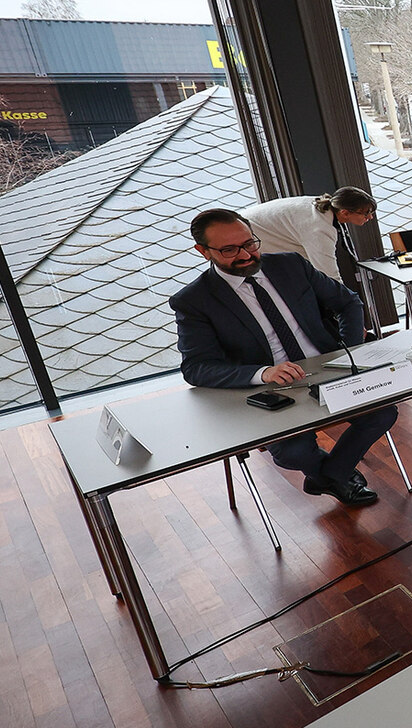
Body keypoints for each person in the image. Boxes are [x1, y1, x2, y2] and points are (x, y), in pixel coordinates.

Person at [170, 208, 397, 507]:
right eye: (229, 250)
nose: (246, 255)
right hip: (270, 388)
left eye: (250, 243)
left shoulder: (290, 265)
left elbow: (348, 302)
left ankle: (331, 476)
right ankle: (338, 476)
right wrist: (263, 373)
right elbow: (196, 367)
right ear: (203, 251)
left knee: (382, 412)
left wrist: (350, 349)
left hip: (328, 368)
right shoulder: (194, 300)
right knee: (293, 452)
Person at [241, 187, 376, 286]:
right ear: (345, 212)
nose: (370, 217)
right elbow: (329, 275)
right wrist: (351, 311)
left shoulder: (322, 205)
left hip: (256, 230)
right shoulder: (319, 228)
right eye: (366, 213)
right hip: (246, 240)